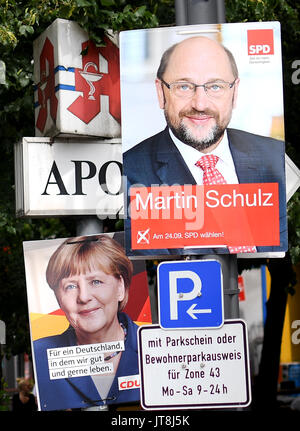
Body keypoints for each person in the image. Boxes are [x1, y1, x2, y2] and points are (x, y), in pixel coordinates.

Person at [123, 36, 287, 256]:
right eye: (184, 86)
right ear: (161, 92)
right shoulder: (132, 171)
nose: (200, 104)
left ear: (235, 92)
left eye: (215, 86)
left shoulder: (273, 155)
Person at [33, 234, 139, 411]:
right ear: (58, 298)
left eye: (96, 281)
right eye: (71, 286)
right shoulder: (40, 355)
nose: (83, 297)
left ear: (120, 287)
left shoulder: (155, 347)